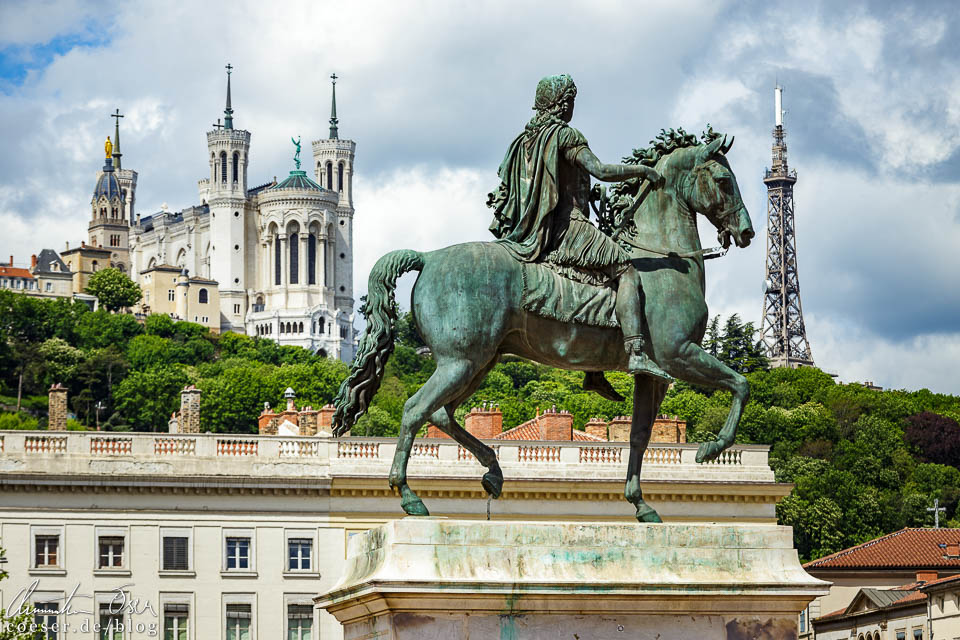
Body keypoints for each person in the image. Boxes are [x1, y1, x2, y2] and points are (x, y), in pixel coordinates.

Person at [487, 74, 670, 381]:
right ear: (562, 104)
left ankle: (593, 370)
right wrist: (643, 171)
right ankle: (637, 353)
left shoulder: (523, 141)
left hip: (536, 232)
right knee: (625, 270)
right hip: (568, 228)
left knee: (593, 282)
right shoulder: (565, 135)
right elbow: (600, 170)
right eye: (570, 101)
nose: (572, 107)